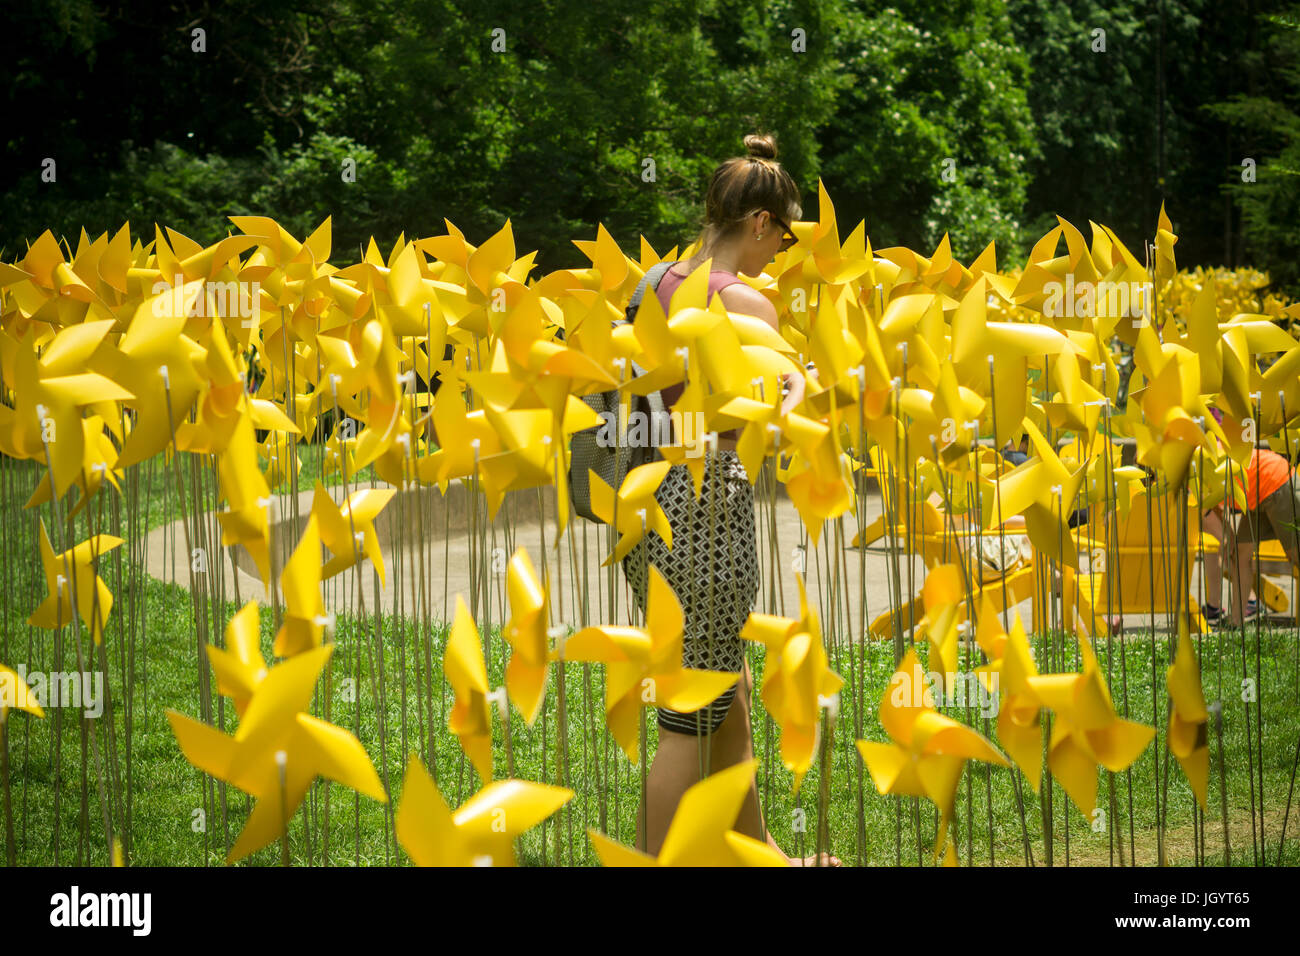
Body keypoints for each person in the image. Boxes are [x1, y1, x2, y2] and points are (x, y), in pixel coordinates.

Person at [621, 132, 837, 866]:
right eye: (782, 237)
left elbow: (646, 398)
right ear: (758, 224)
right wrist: (796, 392)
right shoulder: (746, 302)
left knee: (726, 682)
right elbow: (753, 429)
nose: (781, 253)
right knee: (691, 709)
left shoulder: (651, 284)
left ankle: (759, 850)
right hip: (708, 505)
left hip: (644, 503)